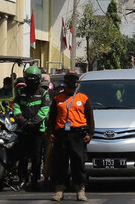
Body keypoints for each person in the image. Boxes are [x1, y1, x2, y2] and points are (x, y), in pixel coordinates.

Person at [46, 71, 94, 202]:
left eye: (73, 81)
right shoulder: (57, 99)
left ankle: (80, 191)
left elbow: (90, 118)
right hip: (61, 135)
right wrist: (50, 133)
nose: (71, 84)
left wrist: (90, 134)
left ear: (77, 83)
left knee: (78, 164)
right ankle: (59, 191)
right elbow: (52, 118)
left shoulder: (83, 98)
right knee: (59, 164)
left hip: (78, 135)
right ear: (65, 83)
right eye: (68, 81)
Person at [14, 65, 50, 189]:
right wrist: (23, 121)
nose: (31, 80)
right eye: (29, 77)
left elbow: (45, 109)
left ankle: (35, 180)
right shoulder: (21, 92)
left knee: (36, 156)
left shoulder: (43, 93)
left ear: (39, 79)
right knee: (22, 156)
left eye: (33, 78)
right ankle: (22, 179)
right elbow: (16, 107)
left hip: (37, 130)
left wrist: (34, 122)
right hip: (23, 128)